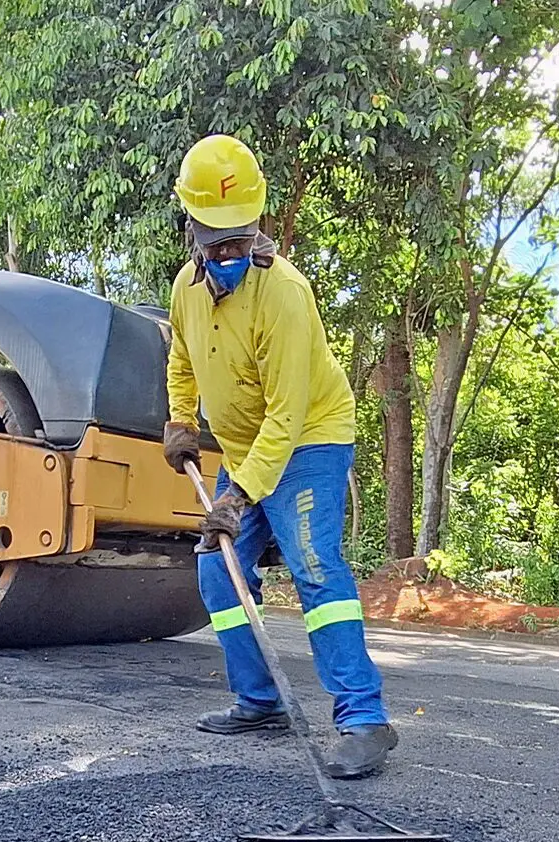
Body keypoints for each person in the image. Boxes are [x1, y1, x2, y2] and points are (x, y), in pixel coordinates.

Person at [161, 134, 398, 780]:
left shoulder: (284, 296)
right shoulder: (187, 287)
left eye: (242, 240)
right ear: (194, 234)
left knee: (315, 565)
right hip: (245, 447)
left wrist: (238, 497)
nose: (231, 254)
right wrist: (181, 420)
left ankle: (363, 719)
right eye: (218, 245)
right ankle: (259, 700)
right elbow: (181, 358)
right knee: (218, 567)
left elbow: (288, 416)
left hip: (309, 439)